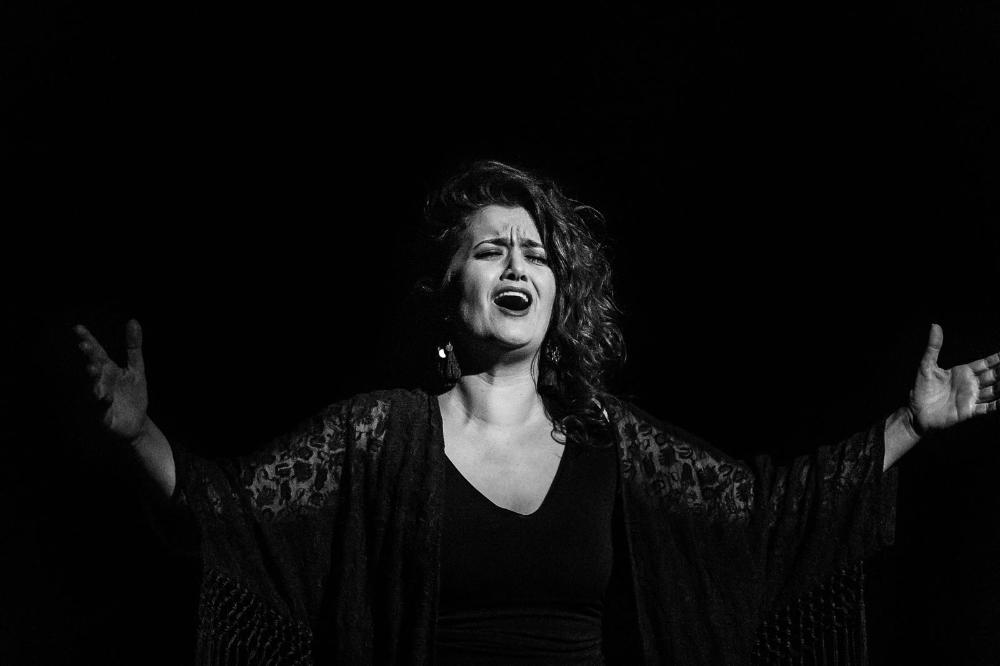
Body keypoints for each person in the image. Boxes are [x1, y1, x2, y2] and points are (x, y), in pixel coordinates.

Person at [74, 161, 998, 665]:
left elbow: (765, 517)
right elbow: (231, 515)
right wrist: (139, 433)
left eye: (538, 254)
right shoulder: (377, 434)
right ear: (447, 293)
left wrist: (910, 425)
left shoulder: (613, 442)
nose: (518, 265)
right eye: (491, 251)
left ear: (559, 294)